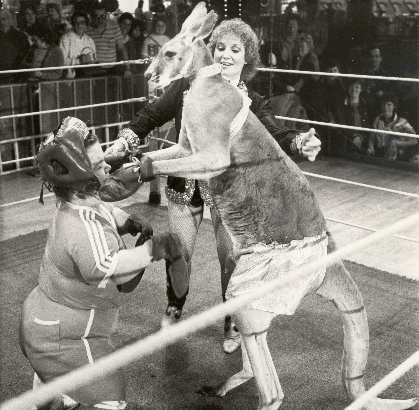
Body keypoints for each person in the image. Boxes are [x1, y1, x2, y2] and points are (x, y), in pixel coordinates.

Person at [103, 18, 321, 354]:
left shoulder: (252, 101)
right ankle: (174, 308)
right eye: (220, 47)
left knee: (231, 258)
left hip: (229, 194)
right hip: (184, 186)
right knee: (178, 251)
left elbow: (276, 135)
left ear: (248, 58)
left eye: (236, 49)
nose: (226, 55)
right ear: (209, 49)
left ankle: (232, 320)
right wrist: (123, 142)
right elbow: (150, 115)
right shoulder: (185, 88)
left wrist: (299, 143)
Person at [19, 116, 188, 410]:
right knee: (107, 384)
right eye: (98, 164)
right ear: (79, 175)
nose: (107, 166)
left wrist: (128, 221)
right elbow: (106, 267)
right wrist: (153, 250)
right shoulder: (81, 224)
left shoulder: (77, 205)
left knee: (52, 365)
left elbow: (105, 209)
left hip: (42, 321)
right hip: (67, 332)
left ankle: (44, 405)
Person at [367, 91, 417, 162]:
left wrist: (398, 143)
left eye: (389, 105)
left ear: (394, 106)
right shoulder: (377, 120)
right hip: (379, 154)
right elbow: (372, 137)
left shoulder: (402, 121)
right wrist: (371, 147)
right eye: (383, 104)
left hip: (395, 157)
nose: (385, 107)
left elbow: (414, 141)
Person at [87, 2, 132, 78]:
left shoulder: (114, 26)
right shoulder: (86, 29)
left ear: (106, 15)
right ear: (91, 16)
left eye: (103, 16)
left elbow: (122, 48)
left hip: (112, 69)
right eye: (96, 16)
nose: (100, 19)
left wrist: (127, 68)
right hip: (94, 70)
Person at [60, 10, 97, 78]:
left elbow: (94, 59)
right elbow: (62, 61)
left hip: (88, 75)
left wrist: (90, 60)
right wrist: (78, 61)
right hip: (72, 76)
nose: (79, 25)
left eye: (82, 22)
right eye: (76, 22)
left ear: (86, 24)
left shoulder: (90, 40)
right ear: (72, 24)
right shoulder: (66, 38)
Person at [336, 78, 370, 153]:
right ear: (348, 88)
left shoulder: (365, 105)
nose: (354, 89)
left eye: (357, 87)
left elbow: (367, 125)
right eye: (351, 86)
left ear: (361, 89)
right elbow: (342, 124)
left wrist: (360, 137)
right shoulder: (342, 105)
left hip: (362, 140)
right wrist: (354, 136)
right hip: (346, 141)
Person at [0, 7, 30, 84]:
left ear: (9, 19)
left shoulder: (20, 36)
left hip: (17, 75)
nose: (2, 22)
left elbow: (26, 54)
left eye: (4, 19)